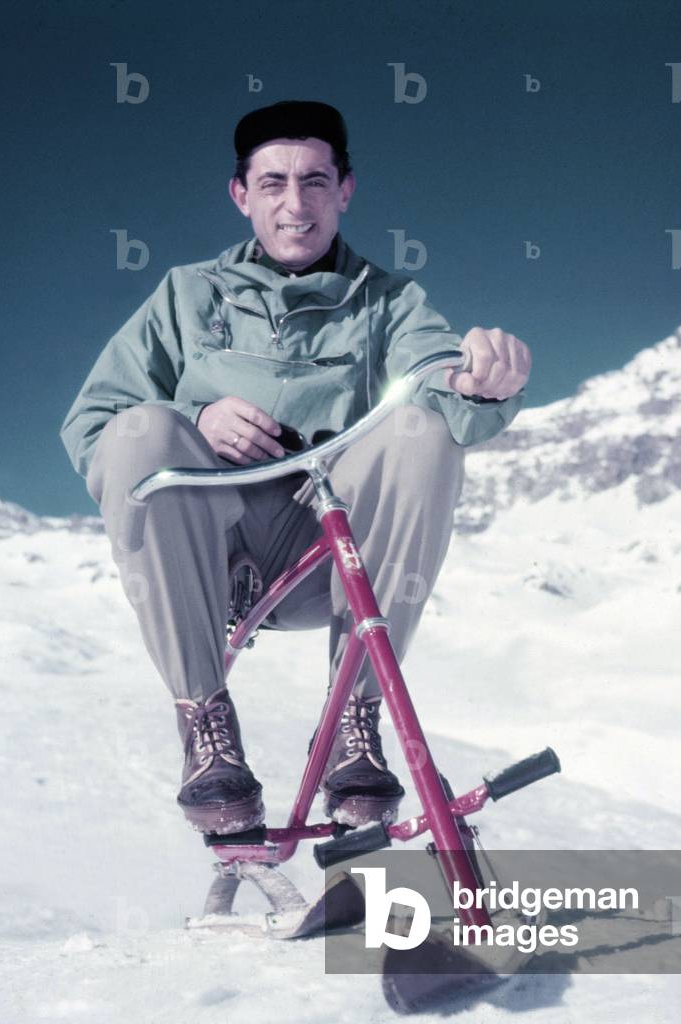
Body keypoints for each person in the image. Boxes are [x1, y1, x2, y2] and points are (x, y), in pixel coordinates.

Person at [60, 100, 531, 835]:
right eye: (272, 183)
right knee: (142, 428)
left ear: (345, 190)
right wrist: (195, 418)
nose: (295, 204)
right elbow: (94, 424)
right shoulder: (187, 295)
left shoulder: (391, 304)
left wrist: (480, 382)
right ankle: (205, 723)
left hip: (329, 559)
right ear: (241, 195)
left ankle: (353, 722)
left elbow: (444, 383)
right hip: (206, 555)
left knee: (422, 429)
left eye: (315, 181)